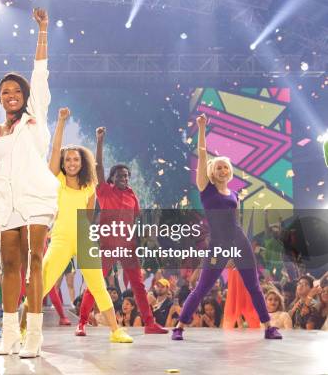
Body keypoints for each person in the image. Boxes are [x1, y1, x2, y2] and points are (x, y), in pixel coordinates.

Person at [0, 7, 60, 359]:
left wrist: (42, 30)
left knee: (34, 261)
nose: (10, 94)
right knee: (10, 266)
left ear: (24, 95)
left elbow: (40, 72)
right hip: (5, 204)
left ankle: (34, 337)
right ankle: (9, 337)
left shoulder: (35, 118)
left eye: (15, 90)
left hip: (36, 198)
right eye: (4, 91)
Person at [20, 107, 133, 344]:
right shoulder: (56, 180)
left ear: (82, 163)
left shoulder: (90, 186)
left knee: (99, 285)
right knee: (42, 282)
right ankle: (21, 329)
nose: (71, 163)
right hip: (60, 238)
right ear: (62, 162)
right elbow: (54, 148)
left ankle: (116, 331)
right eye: (67, 159)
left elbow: (89, 215)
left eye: (76, 159)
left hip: (85, 239)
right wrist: (61, 121)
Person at [171, 114, 282, 341]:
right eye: (218, 167)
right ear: (213, 171)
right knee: (202, 288)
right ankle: (179, 327)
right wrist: (202, 128)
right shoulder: (206, 188)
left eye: (225, 167)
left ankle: (269, 327)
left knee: (254, 286)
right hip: (217, 245)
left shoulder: (234, 194)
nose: (222, 170)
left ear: (229, 172)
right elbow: (202, 154)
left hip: (238, 242)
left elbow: (235, 221)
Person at [76, 126, 167, 336]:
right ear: (112, 178)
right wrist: (99, 141)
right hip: (107, 246)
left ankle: (149, 324)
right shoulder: (105, 191)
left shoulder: (132, 195)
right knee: (96, 285)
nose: (124, 179)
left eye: (126, 176)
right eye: (120, 176)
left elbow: (135, 220)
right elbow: (98, 166)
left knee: (139, 286)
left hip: (127, 247)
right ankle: (81, 323)